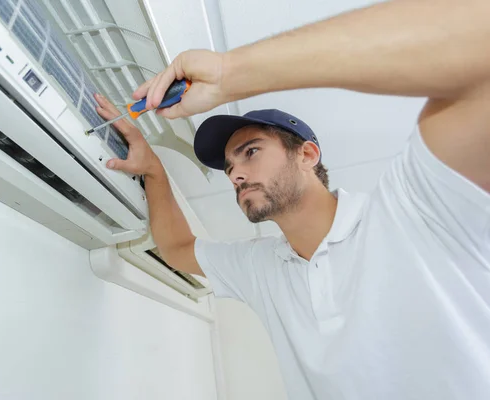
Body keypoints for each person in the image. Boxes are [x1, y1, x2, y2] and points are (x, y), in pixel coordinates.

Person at [94, 0, 490, 398]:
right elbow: (177, 249)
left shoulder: (411, 211)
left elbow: (480, 43)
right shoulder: (263, 266)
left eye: (250, 152)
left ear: (307, 155)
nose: (236, 175)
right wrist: (154, 172)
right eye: (229, 167)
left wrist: (229, 73)